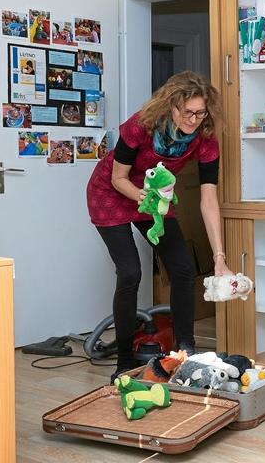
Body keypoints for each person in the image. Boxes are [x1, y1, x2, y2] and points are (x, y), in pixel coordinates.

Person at [86, 71, 230, 380]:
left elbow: (208, 199)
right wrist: (148, 199)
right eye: (187, 112)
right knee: (130, 272)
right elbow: (118, 178)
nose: (193, 119)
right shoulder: (142, 126)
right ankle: (124, 361)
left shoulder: (205, 139)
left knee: (182, 269)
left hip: (154, 195)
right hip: (111, 192)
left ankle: (185, 351)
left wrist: (220, 259)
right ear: (171, 106)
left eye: (200, 112)